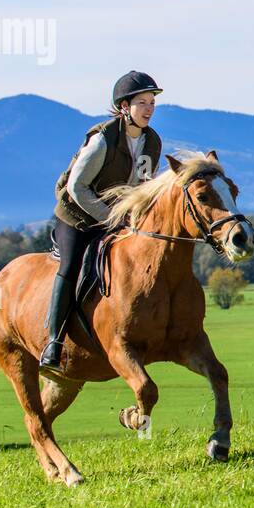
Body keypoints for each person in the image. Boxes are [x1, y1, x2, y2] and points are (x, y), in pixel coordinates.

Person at [40, 71, 163, 373]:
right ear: (124, 107)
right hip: (78, 217)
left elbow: (142, 188)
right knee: (71, 266)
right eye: (141, 103)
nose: (149, 109)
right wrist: (110, 219)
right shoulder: (102, 140)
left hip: (118, 220)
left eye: (151, 103)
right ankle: (53, 343)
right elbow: (76, 188)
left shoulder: (152, 142)